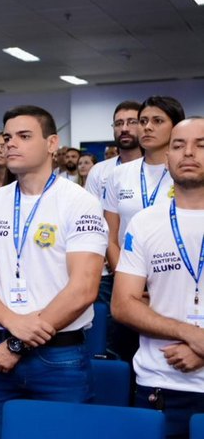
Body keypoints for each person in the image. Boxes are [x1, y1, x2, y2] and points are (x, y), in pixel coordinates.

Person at [0, 105, 107, 439]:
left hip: (59, 357)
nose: (11, 144)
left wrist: (16, 345)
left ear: (52, 143)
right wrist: (13, 327)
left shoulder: (79, 201)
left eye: (24, 136)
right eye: (7, 136)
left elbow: (84, 288)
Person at [113, 118, 204, 438]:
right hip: (159, 388)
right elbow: (123, 304)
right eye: (178, 145)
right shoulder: (145, 222)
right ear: (167, 159)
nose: (189, 152)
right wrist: (191, 334)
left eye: (201, 144)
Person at [83, 101, 143, 357]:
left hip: (156, 271)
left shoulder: (164, 167)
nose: (125, 129)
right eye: (119, 124)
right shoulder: (100, 172)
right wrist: (121, 269)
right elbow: (95, 223)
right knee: (113, 342)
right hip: (110, 271)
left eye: (132, 122)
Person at [104, 96, 185, 274]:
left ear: (176, 127)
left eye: (158, 121)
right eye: (143, 121)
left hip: (179, 272)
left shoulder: (186, 173)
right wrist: (126, 278)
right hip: (128, 271)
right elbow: (110, 238)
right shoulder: (119, 174)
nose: (147, 127)